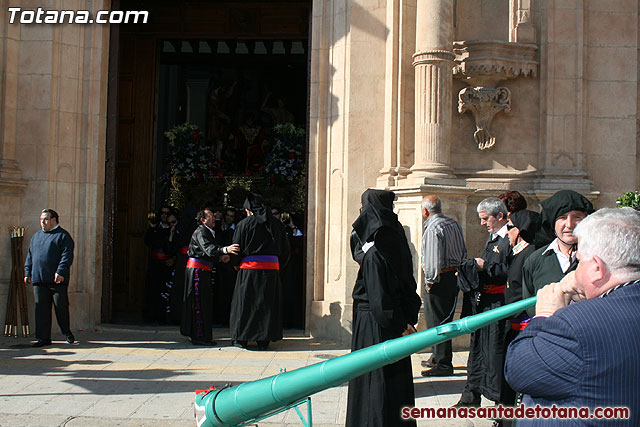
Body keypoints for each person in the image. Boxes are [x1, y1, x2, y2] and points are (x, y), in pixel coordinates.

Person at [505, 208, 640, 426]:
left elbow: (519, 371)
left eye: (580, 259)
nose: (575, 268)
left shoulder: (573, 325)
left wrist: (545, 316)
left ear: (596, 267)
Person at [346, 189, 421, 427]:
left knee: (374, 383)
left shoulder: (375, 252)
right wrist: (407, 322)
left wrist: (399, 323)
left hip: (376, 324)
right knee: (394, 384)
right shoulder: (396, 241)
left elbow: (379, 299)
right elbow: (409, 285)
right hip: (395, 320)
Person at [454, 198, 511, 407]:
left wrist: (484, 265)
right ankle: (472, 393)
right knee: (478, 349)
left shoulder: (510, 239)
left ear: (500, 216)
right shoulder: (493, 238)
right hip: (485, 302)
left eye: (486, 219)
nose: (482, 223)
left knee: (495, 352)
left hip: (499, 304)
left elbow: (511, 271)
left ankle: (499, 399)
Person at [229, 193, 290, 350]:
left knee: (245, 305)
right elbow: (285, 251)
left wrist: (236, 264)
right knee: (267, 306)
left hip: (249, 271)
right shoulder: (277, 225)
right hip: (271, 273)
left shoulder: (244, 224)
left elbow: (236, 248)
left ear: (250, 210)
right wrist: (275, 266)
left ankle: (241, 338)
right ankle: (264, 340)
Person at [522, 190, 594, 317]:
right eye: (562, 217)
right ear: (552, 223)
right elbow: (529, 304)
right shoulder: (535, 260)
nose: (570, 224)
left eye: (577, 217)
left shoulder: (598, 258)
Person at [499, 209, 539, 425]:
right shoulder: (517, 251)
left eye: (510, 227)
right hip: (511, 323)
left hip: (522, 326)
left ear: (520, 230)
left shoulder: (531, 254)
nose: (506, 232)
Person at [419, 195, 467, 377]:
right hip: (453, 275)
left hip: (439, 278)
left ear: (425, 211)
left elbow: (432, 261)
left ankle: (443, 362)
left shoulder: (432, 228)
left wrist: (430, 282)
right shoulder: (453, 224)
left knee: (437, 322)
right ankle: (436, 356)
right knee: (443, 318)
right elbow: (463, 250)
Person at [180, 208, 239, 346]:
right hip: (197, 272)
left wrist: (220, 258)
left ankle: (201, 334)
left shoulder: (207, 232)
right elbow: (208, 249)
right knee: (199, 303)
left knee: (204, 302)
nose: (214, 218)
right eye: (210, 216)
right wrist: (225, 249)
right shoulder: (201, 231)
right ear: (202, 220)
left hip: (203, 270)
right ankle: (199, 336)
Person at [24, 209, 75, 347]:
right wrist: (27, 272)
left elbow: (66, 256)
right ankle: (43, 338)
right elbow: (30, 256)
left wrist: (61, 271)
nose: (42, 222)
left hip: (57, 280)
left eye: (45, 219)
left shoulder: (63, 236)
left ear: (54, 220)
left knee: (61, 307)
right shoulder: (36, 236)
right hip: (39, 279)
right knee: (41, 309)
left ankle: (66, 331)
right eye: (41, 219)